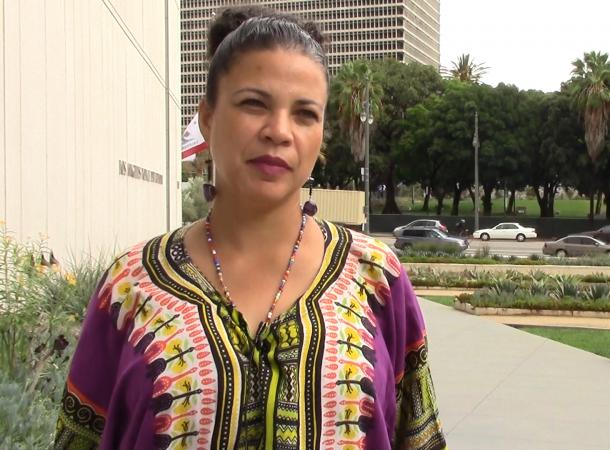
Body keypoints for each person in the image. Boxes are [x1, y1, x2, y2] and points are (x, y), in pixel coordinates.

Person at [54, 7, 446, 450]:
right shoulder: (130, 287)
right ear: (207, 118)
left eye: (304, 114)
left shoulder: (377, 276)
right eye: (253, 104)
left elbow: (420, 439)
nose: (279, 131)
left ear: (320, 135)